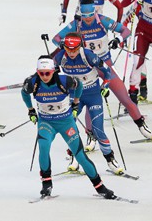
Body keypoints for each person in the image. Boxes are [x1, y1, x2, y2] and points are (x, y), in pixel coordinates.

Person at [53, 0, 152, 140]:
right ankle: (91, 137)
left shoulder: (102, 20)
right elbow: (55, 39)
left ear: (94, 12)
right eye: (84, 16)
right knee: (90, 104)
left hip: (105, 66)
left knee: (124, 98)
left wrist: (117, 40)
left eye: (90, 16)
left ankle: (141, 125)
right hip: (88, 70)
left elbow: (125, 31)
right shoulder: (76, 25)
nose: (87, 19)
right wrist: (67, 46)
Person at [21, 55, 115, 199]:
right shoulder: (32, 82)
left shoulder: (65, 80)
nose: (44, 76)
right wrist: (31, 110)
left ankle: (100, 187)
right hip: (46, 123)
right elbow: (24, 92)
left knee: (80, 156)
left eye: (48, 73)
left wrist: (76, 103)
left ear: (53, 71)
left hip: (66, 123)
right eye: (41, 73)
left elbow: (80, 86)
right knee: (44, 148)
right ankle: (46, 185)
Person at [52, 32, 123, 174]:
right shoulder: (60, 57)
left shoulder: (88, 55)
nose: (71, 53)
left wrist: (106, 85)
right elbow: (53, 75)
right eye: (68, 49)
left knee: (98, 129)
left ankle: (110, 159)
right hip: (74, 96)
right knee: (69, 126)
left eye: (74, 49)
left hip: (93, 94)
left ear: (80, 46)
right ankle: (74, 157)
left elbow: (107, 71)